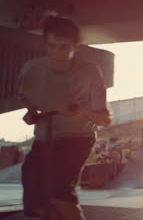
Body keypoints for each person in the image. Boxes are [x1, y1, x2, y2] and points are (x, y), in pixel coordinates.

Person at [18, 16, 112, 219]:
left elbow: (105, 120)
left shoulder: (90, 72)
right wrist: (31, 114)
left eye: (64, 47)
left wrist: (81, 111)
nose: (58, 53)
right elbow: (29, 101)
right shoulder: (31, 70)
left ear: (76, 46)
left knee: (58, 190)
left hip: (77, 138)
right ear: (45, 45)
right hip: (45, 139)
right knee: (33, 190)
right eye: (52, 46)